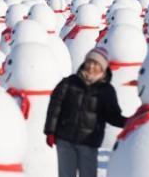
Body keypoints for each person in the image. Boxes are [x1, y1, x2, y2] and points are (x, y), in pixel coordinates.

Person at [44, 47, 126, 177]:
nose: (91, 66)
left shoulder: (107, 91)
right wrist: (50, 131)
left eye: (96, 64)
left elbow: (113, 115)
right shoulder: (69, 82)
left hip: (89, 142)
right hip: (65, 139)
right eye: (90, 62)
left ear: (103, 68)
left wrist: (130, 122)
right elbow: (55, 107)